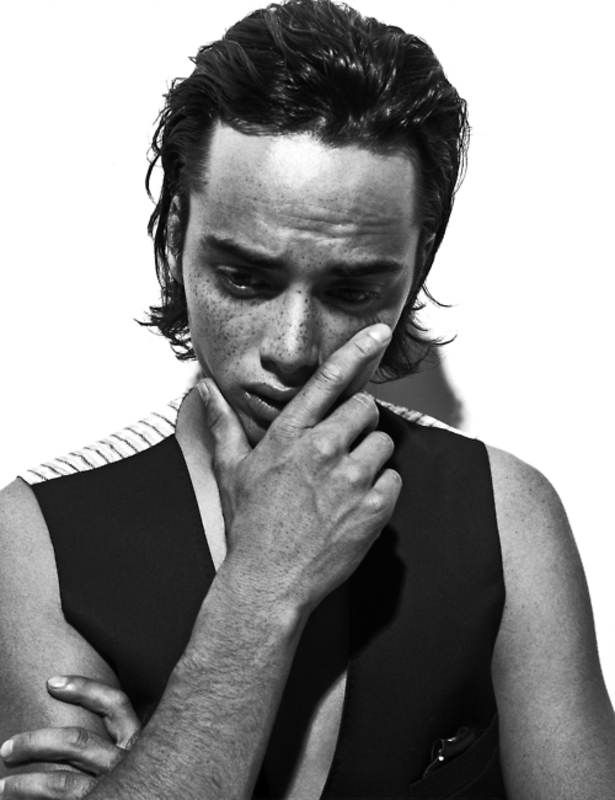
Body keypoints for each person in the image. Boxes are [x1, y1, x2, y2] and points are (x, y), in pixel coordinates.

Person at [0, 1, 614, 798]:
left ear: (417, 261)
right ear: (176, 236)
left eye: (352, 290)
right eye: (244, 278)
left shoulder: (504, 514)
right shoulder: (39, 537)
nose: (292, 349)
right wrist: (261, 591)